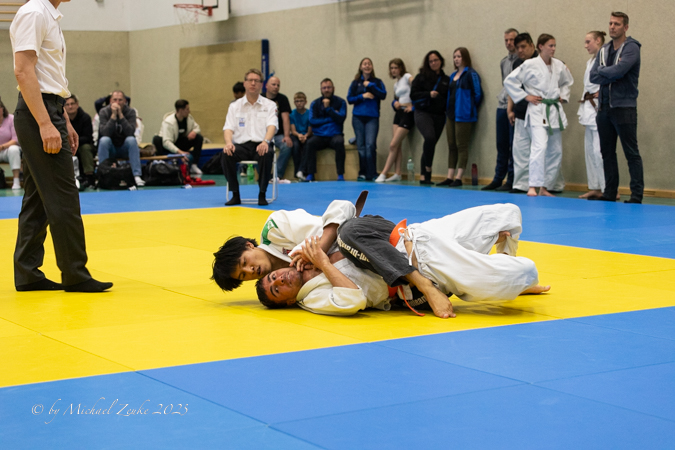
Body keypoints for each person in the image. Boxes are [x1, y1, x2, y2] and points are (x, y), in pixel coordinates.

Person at [257, 204, 549, 318]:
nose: (279, 279)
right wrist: (323, 262)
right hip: (425, 273)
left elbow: (344, 208)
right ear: (288, 302)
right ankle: (508, 275)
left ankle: (502, 263)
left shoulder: (304, 251)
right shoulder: (313, 298)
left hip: (416, 235)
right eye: (276, 289)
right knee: (523, 272)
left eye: (273, 277)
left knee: (509, 214)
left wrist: (320, 246)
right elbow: (352, 300)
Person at [10, 0, 112, 292]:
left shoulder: (49, 15)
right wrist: (45, 123)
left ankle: (27, 273)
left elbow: (49, 78)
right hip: (38, 113)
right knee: (64, 197)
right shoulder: (34, 12)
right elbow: (23, 71)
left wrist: (63, 119)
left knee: (37, 199)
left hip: (49, 108)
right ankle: (75, 273)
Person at [211, 200, 356, 291]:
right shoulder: (275, 286)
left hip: (355, 243)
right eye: (243, 275)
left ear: (249, 245)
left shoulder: (275, 229)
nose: (250, 270)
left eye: (244, 262)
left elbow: (342, 208)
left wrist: (317, 253)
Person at [504, 34, 573, 197]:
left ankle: (545, 186)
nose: (553, 49)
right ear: (540, 46)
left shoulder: (559, 65)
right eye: (550, 46)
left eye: (554, 46)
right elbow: (509, 81)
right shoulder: (529, 64)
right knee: (539, 147)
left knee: (555, 151)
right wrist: (525, 96)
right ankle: (532, 186)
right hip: (537, 110)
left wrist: (563, 96)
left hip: (553, 109)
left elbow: (567, 82)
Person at [589, 12, 643, 204]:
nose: (612, 27)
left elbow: (620, 71)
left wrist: (604, 71)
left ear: (625, 27)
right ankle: (610, 192)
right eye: (611, 23)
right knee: (607, 152)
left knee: (631, 153)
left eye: (617, 24)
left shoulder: (632, 48)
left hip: (624, 107)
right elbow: (593, 76)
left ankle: (636, 195)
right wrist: (609, 73)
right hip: (604, 108)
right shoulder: (604, 49)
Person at [221, 68, 278, 206]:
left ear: (261, 85)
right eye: (250, 80)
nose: (253, 83)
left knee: (266, 153)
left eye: (256, 81)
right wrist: (228, 143)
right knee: (226, 154)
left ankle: (262, 194)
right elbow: (228, 128)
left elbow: (272, 126)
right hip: (241, 146)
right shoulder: (234, 106)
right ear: (244, 83)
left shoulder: (270, 105)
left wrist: (265, 141)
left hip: (261, 144)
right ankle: (235, 194)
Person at [436, 47, 482, 187]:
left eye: (459, 56)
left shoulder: (471, 74)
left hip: (464, 115)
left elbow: (478, 94)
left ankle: (459, 177)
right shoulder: (452, 76)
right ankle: (450, 176)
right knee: (451, 145)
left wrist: (468, 107)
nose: (456, 59)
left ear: (465, 58)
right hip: (451, 114)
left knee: (462, 145)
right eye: (454, 56)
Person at [483, 28, 519, 191]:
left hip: (514, 107)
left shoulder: (522, 61)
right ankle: (498, 177)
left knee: (513, 144)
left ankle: (511, 179)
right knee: (501, 143)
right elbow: (505, 84)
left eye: (512, 40)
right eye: (506, 40)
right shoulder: (504, 62)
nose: (509, 43)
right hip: (502, 105)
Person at [578, 31, 611, 200]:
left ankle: (609, 188)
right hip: (589, 107)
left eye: (588, 42)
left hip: (600, 107)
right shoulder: (590, 61)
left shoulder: (607, 58)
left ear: (598, 41)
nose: (585, 46)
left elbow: (612, 78)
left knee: (600, 151)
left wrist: (603, 93)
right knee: (590, 151)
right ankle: (596, 187)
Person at [410, 51, 450, 184]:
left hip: (439, 115)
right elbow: (413, 95)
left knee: (430, 143)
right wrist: (428, 94)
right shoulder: (421, 77)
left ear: (441, 61)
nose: (433, 63)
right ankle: (428, 168)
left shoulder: (446, 79)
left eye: (436, 60)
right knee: (429, 137)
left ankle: (424, 177)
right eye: (431, 61)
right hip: (423, 112)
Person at [347, 57, 387, 181]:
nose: (367, 66)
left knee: (370, 145)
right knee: (361, 146)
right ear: (361, 67)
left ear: (372, 67)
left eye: (369, 64)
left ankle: (372, 173)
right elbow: (349, 99)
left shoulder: (377, 82)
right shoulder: (355, 83)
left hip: (372, 117)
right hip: (358, 117)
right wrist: (362, 96)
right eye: (364, 64)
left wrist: (371, 86)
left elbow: (383, 95)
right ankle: (363, 172)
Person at [375, 58, 414, 183]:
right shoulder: (396, 84)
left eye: (396, 68)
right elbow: (396, 99)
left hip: (407, 113)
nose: (393, 70)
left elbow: (417, 87)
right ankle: (398, 173)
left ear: (401, 68)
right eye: (391, 68)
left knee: (392, 145)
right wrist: (394, 103)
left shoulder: (407, 77)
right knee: (397, 145)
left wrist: (413, 106)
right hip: (398, 113)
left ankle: (384, 173)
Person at [98, 90, 145, 187]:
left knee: (131, 140)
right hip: (111, 148)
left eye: (120, 100)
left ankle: (136, 175)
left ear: (125, 101)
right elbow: (104, 133)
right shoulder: (104, 112)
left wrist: (121, 116)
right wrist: (113, 116)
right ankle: (103, 174)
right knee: (104, 140)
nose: (117, 102)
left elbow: (130, 132)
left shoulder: (131, 112)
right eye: (115, 100)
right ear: (111, 101)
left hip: (124, 148)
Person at [304, 79, 347, 182]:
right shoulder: (315, 103)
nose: (326, 90)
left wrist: (328, 109)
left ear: (333, 88)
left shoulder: (341, 102)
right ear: (321, 89)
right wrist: (330, 119)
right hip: (319, 135)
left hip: (335, 135)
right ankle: (310, 174)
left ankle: (340, 174)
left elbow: (341, 118)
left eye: (329, 87)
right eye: (324, 88)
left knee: (340, 142)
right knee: (310, 143)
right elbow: (312, 121)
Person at [153, 99, 204, 176]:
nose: (189, 111)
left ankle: (194, 165)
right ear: (180, 110)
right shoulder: (168, 122)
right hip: (168, 145)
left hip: (180, 143)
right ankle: (161, 163)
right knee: (156, 139)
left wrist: (194, 132)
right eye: (187, 109)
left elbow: (197, 128)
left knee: (199, 138)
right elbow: (166, 142)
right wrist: (180, 153)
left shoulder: (189, 118)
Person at [262, 76, 293, 183]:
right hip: (263, 134)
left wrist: (287, 136)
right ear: (266, 86)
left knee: (287, 146)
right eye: (273, 84)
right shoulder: (260, 98)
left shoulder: (283, 99)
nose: (276, 87)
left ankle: (276, 175)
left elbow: (285, 118)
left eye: (278, 85)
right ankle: (264, 176)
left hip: (278, 134)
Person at [64, 95, 96, 190]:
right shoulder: (61, 119)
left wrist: (74, 142)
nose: (70, 106)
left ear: (77, 104)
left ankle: (89, 177)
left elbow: (88, 137)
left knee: (86, 148)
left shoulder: (85, 117)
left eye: (72, 104)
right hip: (66, 145)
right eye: (67, 104)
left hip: (82, 145)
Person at [0, 97, 22, 190]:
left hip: (7, 150)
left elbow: (15, 139)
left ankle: (16, 181)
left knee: (14, 149)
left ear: (2, 109)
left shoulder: (11, 119)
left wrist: (2, 146)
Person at [290, 92, 312, 180]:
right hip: (296, 135)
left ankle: (301, 170)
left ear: (305, 102)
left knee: (308, 145)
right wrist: (299, 135)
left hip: (307, 134)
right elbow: (293, 130)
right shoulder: (292, 114)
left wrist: (305, 136)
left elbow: (310, 130)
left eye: (301, 101)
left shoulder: (309, 113)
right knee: (295, 146)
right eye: (297, 101)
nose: (299, 103)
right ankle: (297, 171)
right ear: (294, 102)